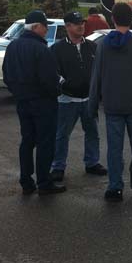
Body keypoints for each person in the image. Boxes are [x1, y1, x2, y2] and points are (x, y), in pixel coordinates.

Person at [89, 3, 132, 201]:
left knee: (114, 150)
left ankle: (115, 187)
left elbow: (97, 76)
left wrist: (92, 104)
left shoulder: (103, 45)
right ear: (131, 20)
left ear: (113, 19)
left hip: (113, 105)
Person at [2, 10, 65, 196]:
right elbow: (49, 79)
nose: (46, 30)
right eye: (45, 26)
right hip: (43, 103)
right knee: (45, 142)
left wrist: (17, 92)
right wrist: (57, 90)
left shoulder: (13, 46)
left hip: (22, 101)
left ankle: (26, 180)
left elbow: (7, 74)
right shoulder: (41, 49)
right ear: (36, 27)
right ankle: (44, 182)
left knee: (27, 141)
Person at [49, 11, 106, 182]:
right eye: (76, 23)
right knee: (61, 135)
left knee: (93, 133)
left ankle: (92, 163)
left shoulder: (93, 46)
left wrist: (98, 90)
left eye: (82, 22)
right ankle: (58, 167)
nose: (81, 26)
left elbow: (99, 70)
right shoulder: (57, 49)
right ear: (67, 26)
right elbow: (52, 72)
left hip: (89, 99)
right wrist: (64, 84)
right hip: (67, 100)